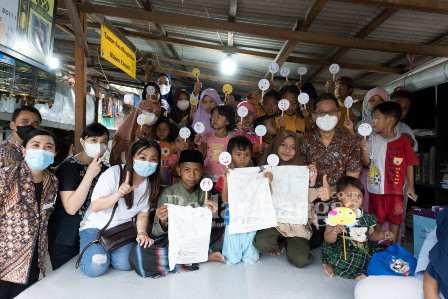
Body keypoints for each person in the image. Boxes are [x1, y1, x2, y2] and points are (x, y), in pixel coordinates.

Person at [130, 150, 220, 278]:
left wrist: (210, 214)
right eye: (187, 170)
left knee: (224, 235)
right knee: (139, 253)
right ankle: (202, 257)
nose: (192, 175)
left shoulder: (205, 192)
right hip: (174, 240)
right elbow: (156, 232)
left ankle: (188, 258)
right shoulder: (167, 193)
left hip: (196, 239)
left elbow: (208, 228)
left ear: (202, 171)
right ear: (179, 170)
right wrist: (162, 221)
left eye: (197, 170)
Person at [78, 138, 160, 277]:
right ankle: (97, 249)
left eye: (153, 159)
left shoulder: (150, 183)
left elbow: (143, 213)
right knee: (95, 267)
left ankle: (106, 251)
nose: (148, 162)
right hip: (97, 227)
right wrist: (118, 194)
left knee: (126, 264)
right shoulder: (114, 173)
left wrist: (142, 233)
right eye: (142, 157)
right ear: (133, 158)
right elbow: (96, 206)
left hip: (122, 230)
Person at [254, 130, 330, 268]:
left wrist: (311, 183)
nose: (287, 150)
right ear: (276, 145)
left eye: (293, 147)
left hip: (295, 222)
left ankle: (287, 241)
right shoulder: (266, 168)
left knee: (302, 260)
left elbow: (305, 199)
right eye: (283, 144)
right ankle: (279, 239)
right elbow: (257, 196)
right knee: (262, 244)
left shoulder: (302, 169)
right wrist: (265, 183)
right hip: (274, 219)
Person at [0, 129, 59, 299]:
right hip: (6, 257)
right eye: (35, 145)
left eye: (48, 147)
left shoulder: (52, 181)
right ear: (24, 151)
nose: (42, 150)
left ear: (54, 154)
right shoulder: (7, 174)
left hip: (34, 257)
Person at [299, 92, 362, 248]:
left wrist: (332, 191)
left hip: (340, 204)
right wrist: (310, 204)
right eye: (321, 112)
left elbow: (352, 182)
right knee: (311, 243)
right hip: (311, 204)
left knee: (346, 244)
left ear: (339, 114)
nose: (326, 116)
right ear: (313, 116)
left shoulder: (350, 142)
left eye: (331, 112)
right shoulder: (305, 141)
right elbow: (298, 178)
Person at [48, 123, 110, 270]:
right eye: (93, 140)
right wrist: (89, 175)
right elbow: (71, 207)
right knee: (64, 281)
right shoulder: (68, 167)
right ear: (82, 141)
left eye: (103, 142)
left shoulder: (106, 169)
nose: (98, 145)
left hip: (94, 235)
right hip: (66, 237)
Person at [361, 101, 419, 244]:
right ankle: (377, 247)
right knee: (377, 220)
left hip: (396, 191)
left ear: (390, 120)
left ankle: (394, 248)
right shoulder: (372, 140)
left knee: (395, 220)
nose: (373, 122)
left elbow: (410, 164)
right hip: (376, 190)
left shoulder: (403, 142)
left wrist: (411, 186)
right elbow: (366, 162)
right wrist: (363, 150)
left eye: (376, 117)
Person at [322, 176, 393, 281]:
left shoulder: (367, 216)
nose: (355, 200)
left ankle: (360, 272)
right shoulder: (336, 215)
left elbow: (372, 235)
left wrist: (383, 234)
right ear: (339, 196)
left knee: (376, 259)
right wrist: (334, 232)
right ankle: (329, 263)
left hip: (361, 248)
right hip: (342, 249)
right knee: (347, 260)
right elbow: (328, 238)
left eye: (359, 196)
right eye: (350, 195)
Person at [215, 136, 267, 264]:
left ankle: (249, 255)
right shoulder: (226, 175)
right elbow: (225, 200)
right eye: (238, 154)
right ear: (230, 156)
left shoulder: (255, 174)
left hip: (251, 217)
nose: (243, 158)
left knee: (250, 256)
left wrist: (267, 181)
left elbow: (261, 196)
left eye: (247, 154)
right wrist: (226, 181)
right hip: (233, 218)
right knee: (232, 258)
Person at [110, 82, 161, 165]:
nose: (153, 115)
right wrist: (134, 143)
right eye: (149, 110)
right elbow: (115, 158)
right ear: (139, 110)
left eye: (157, 114)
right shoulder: (122, 134)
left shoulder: (154, 135)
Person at [195, 105, 236, 182]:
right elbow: (202, 155)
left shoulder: (231, 139)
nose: (215, 119)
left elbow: (233, 160)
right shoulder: (206, 135)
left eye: (219, 116)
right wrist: (199, 144)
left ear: (228, 121)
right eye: (213, 116)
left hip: (223, 176)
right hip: (205, 175)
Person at [154, 116, 178, 187]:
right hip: (156, 175)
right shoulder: (153, 143)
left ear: (170, 130)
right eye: (159, 129)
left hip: (168, 175)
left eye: (165, 129)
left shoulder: (173, 145)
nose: (162, 132)